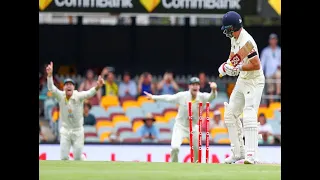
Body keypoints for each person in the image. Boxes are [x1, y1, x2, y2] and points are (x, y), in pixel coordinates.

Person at [218, 11, 265, 164]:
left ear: (235, 26)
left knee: (249, 114)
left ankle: (251, 155)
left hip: (254, 81)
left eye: (228, 28)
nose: (226, 31)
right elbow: (233, 58)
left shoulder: (247, 41)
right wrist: (226, 66)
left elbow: (256, 65)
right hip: (243, 80)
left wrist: (237, 69)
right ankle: (238, 153)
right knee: (230, 114)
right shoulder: (234, 38)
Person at [144, 77, 217, 163]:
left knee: (197, 150)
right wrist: (153, 97)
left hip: (193, 127)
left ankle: (197, 167)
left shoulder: (202, 97)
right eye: (193, 84)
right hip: (180, 126)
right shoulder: (182, 96)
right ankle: (174, 166)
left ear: (199, 87)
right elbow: (168, 98)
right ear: (189, 86)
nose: (195, 87)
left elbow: (212, 97)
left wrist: (214, 89)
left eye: (197, 85)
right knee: (175, 148)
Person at [46, 62, 104, 160]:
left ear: (74, 87)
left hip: (78, 131)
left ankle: (83, 157)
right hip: (65, 130)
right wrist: (50, 75)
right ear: (64, 88)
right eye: (66, 84)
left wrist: (97, 86)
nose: (68, 86)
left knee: (77, 158)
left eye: (71, 84)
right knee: (64, 158)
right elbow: (51, 88)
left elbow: (89, 93)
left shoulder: (78, 96)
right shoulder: (61, 96)